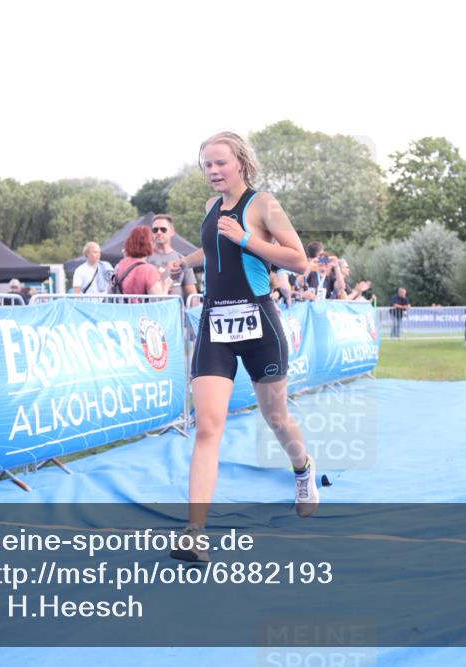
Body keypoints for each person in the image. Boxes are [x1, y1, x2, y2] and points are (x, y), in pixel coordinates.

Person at [166, 131, 316, 562]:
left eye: (220, 164)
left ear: (241, 164)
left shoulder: (263, 204)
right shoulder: (212, 208)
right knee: (208, 426)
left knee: (276, 416)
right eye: (207, 165)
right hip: (216, 322)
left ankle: (302, 468)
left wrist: (247, 239)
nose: (213, 171)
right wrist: (187, 261)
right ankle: (195, 531)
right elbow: (214, 248)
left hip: (258, 324)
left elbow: (299, 260)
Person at [147, 215, 198, 301]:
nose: (159, 232)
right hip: (150, 312)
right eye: (155, 230)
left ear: (172, 232)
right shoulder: (144, 259)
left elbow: (192, 294)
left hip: (174, 312)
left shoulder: (182, 259)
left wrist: (193, 313)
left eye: (163, 229)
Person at [112, 227, 171, 296]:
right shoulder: (149, 270)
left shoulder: (119, 265)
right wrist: (166, 284)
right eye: (152, 241)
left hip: (121, 306)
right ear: (148, 244)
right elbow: (159, 300)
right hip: (140, 306)